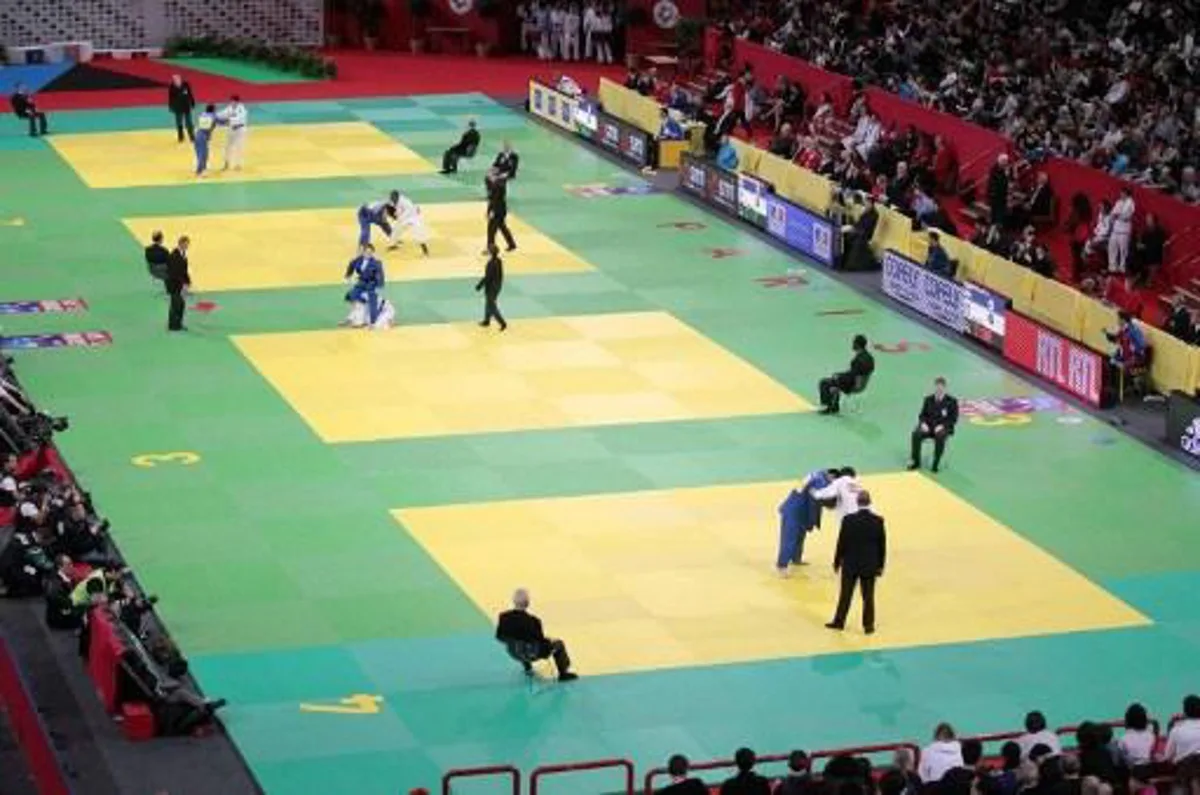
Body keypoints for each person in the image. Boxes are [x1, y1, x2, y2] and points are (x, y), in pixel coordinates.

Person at [826, 490, 886, 634]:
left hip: (850, 564)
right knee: (868, 597)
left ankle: (839, 622)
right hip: (869, 565)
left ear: (857, 502)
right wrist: (880, 565)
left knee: (845, 595)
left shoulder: (848, 520)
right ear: (869, 502)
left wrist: (837, 562)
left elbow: (841, 543)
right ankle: (868, 626)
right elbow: (882, 545)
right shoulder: (878, 521)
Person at [495, 588, 577, 681]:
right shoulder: (534, 621)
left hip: (513, 652)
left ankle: (528, 668)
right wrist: (549, 641)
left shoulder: (503, 617)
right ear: (527, 603)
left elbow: (499, 636)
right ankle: (563, 673)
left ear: (514, 601)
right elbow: (540, 641)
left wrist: (512, 642)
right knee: (559, 644)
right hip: (532, 654)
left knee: (521, 643)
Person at [776, 468, 837, 576]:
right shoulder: (820, 482)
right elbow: (814, 503)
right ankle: (782, 566)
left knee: (800, 537)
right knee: (789, 539)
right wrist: (812, 522)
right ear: (832, 477)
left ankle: (796, 558)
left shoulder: (818, 475)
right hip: (794, 512)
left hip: (801, 510)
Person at [908, 377, 959, 473]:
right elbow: (922, 415)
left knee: (940, 436)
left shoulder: (952, 401)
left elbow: (953, 418)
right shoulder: (928, 399)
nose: (939, 389)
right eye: (937, 387)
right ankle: (916, 461)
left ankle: (935, 463)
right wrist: (923, 423)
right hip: (928, 427)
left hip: (942, 428)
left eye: (941, 387)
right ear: (935, 387)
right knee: (916, 434)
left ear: (944, 388)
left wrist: (942, 426)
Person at [818, 334, 875, 414]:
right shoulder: (870, 358)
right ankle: (834, 405)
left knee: (824, 383)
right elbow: (856, 373)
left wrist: (838, 376)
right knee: (836, 380)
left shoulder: (858, 361)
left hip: (853, 385)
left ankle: (828, 407)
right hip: (862, 385)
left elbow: (851, 376)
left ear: (856, 344)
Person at [342, 243, 386, 327]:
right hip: (361, 283)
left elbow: (380, 274)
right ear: (364, 252)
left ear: (373, 253)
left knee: (372, 301)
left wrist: (380, 285)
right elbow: (351, 264)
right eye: (367, 252)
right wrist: (348, 276)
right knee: (352, 296)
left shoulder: (376, 262)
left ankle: (372, 321)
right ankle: (353, 318)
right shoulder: (359, 259)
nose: (368, 254)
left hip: (371, 284)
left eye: (370, 252)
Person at [842, 196, 879, 272]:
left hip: (865, 234)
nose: (866, 204)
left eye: (867, 203)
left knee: (855, 240)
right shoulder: (865, 211)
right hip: (858, 230)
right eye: (865, 203)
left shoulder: (875, 214)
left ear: (871, 204)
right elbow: (859, 222)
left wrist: (855, 229)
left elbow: (867, 226)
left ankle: (850, 265)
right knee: (845, 235)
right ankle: (843, 259)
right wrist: (853, 226)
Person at [485, 168, 517, 253]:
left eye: (491, 174)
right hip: (500, 209)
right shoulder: (496, 183)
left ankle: (490, 248)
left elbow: (493, 200)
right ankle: (512, 244)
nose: (489, 176)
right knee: (502, 227)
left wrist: (491, 211)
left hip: (498, 210)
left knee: (491, 229)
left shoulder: (498, 185)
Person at [476, 245, 507, 331]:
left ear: (491, 253)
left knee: (492, 306)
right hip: (498, 284)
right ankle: (487, 320)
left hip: (491, 287)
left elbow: (488, 277)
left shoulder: (490, 264)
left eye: (488, 251)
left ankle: (502, 323)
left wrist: (480, 285)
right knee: (488, 303)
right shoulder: (499, 261)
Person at [165, 236, 191, 332]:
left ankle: (178, 324)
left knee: (181, 304)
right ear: (180, 243)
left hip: (180, 284)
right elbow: (174, 272)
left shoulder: (183, 255)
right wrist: (183, 283)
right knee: (176, 304)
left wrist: (188, 281)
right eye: (185, 244)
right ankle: (173, 325)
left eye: (187, 244)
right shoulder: (174, 256)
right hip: (174, 284)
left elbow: (184, 271)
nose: (187, 246)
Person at [1163, 694, 1200, 763]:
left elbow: (1167, 756)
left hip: (1185, 771)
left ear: (1185, 710)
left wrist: (1171, 724)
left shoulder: (1176, 730)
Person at [1108, 187, 1136, 274]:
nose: (1121, 195)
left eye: (1122, 193)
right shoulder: (1118, 202)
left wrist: (1117, 215)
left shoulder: (1131, 203)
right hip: (1115, 229)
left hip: (1124, 231)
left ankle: (1122, 268)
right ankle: (1112, 266)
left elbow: (1126, 216)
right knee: (1112, 247)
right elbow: (1113, 213)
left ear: (1126, 194)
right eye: (1120, 193)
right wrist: (1115, 215)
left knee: (1123, 251)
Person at [218, 95, 248, 171]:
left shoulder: (241, 109)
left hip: (240, 129)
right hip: (231, 130)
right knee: (227, 147)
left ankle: (238, 164)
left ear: (237, 102)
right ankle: (226, 163)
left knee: (239, 147)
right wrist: (214, 116)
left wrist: (229, 120)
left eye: (233, 101)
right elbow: (222, 114)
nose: (232, 103)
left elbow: (240, 119)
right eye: (231, 101)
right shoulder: (229, 108)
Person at [167, 74, 196, 143]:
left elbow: (190, 94)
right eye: (174, 80)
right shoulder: (172, 87)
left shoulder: (185, 84)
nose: (176, 81)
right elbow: (170, 97)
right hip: (178, 107)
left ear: (180, 79)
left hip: (186, 106)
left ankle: (192, 136)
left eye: (177, 79)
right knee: (179, 122)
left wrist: (192, 102)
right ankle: (180, 136)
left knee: (189, 122)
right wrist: (171, 106)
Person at [193, 104, 217, 177]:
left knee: (201, 153)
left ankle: (202, 168)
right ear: (213, 110)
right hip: (202, 137)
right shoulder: (213, 116)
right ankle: (199, 171)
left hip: (197, 135)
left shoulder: (202, 114)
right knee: (203, 154)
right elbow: (220, 121)